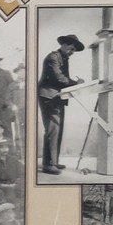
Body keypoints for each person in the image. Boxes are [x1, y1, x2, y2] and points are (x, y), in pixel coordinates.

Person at [38, 33, 88, 174]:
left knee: (58, 129)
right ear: (64, 44)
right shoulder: (53, 57)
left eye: (73, 51)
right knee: (53, 129)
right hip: (48, 96)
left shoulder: (64, 58)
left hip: (58, 96)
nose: (72, 52)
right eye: (71, 49)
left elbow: (64, 78)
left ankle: (54, 161)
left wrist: (75, 83)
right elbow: (59, 78)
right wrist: (76, 83)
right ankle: (48, 164)